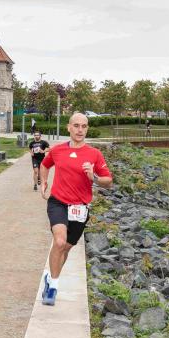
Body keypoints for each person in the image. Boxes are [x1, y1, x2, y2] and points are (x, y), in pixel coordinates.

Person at [39, 113, 112, 306]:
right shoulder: (58, 150)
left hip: (80, 208)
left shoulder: (94, 154)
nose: (80, 130)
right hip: (58, 202)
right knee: (59, 241)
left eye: (84, 126)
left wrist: (94, 177)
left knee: (65, 249)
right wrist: (44, 182)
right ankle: (53, 288)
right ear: (69, 127)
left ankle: (50, 278)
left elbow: (108, 181)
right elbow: (45, 165)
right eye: (76, 126)